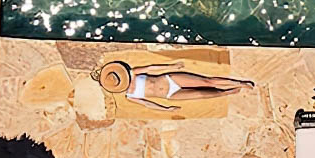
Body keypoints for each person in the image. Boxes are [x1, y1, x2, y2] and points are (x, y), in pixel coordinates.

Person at [96, 60, 253, 106]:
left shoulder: (132, 73)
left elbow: (151, 67)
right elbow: (146, 103)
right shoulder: (129, 95)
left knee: (207, 81)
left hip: (169, 79)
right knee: (201, 94)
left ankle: (240, 83)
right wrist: (164, 109)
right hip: (169, 95)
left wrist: (171, 67)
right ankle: (226, 92)